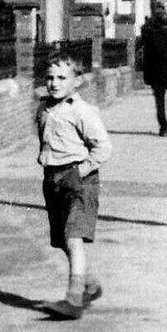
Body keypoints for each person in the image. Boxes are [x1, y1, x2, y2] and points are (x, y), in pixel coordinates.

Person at [36, 57, 113, 319]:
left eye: (61, 78)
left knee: (73, 236)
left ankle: (73, 299)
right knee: (62, 241)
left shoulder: (82, 110)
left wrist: (79, 171)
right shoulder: (44, 108)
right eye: (49, 78)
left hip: (79, 180)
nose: (54, 83)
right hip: (53, 179)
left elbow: (103, 147)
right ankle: (90, 285)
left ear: (76, 82)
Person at [140, 1, 167, 136]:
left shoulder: (152, 35)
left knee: (160, 103)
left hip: (157, 74)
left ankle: (163, 127)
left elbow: (147, 56)